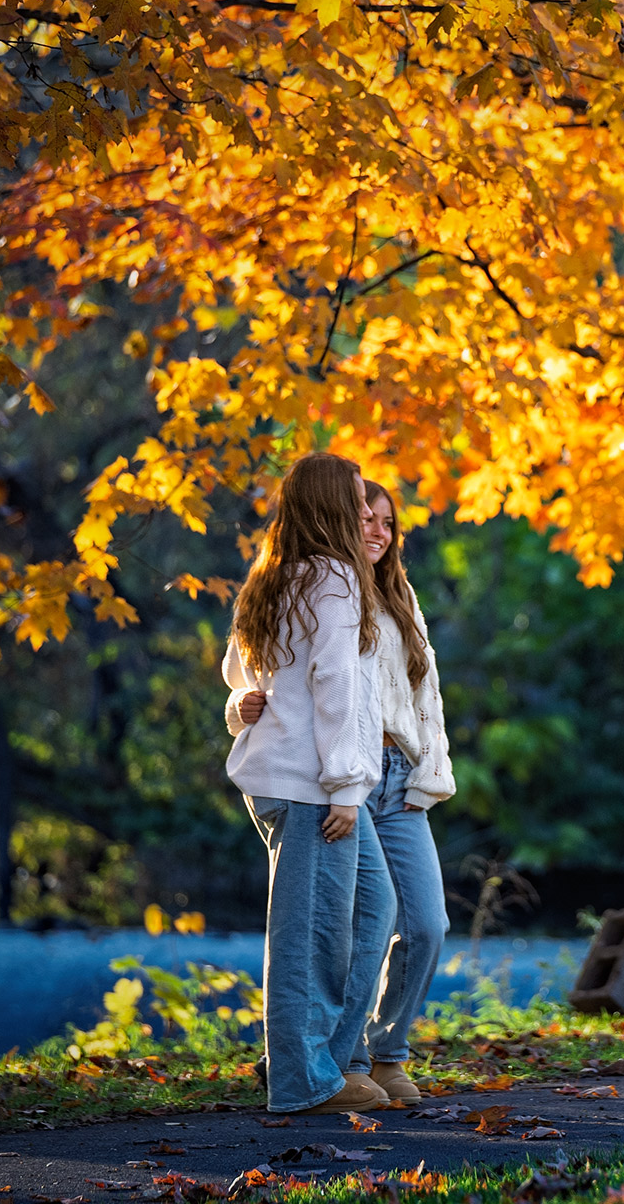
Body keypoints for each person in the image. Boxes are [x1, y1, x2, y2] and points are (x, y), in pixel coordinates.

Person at [230, 478, 454, 1106]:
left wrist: (432, 772)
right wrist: (238, 705)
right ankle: (341, 1061)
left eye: (387, 521)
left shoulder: (398, 596)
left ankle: (386, 1053)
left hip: (395, 776)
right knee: (355, 918)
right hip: (338, 775)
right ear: (338, 519)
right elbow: (266, 673)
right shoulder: (317, 583)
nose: (377, 530)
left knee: (426, 923)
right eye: (364, 517)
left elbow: (425, 699)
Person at [221, 453, 398, 1115]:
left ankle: (334, 1062)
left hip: (294, 779)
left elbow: (239, 671)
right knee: (308, 937)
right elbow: (334, 692)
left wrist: (241, 701)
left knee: (374, 909)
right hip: (312, 786)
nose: (364, 514)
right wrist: (347, 788)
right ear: (328, 508)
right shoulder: (333, 579)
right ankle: (300, 1082)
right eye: (355, 501)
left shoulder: (275, 575)